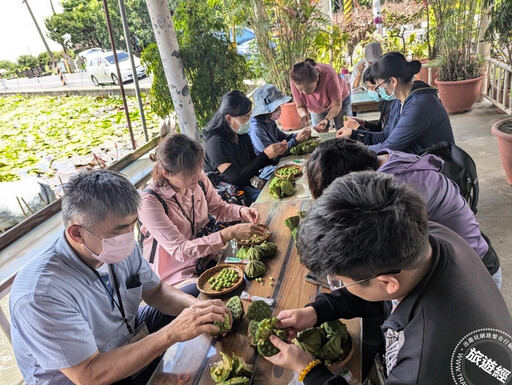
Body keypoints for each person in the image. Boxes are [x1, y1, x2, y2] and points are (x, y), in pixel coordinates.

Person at [265, 172, 512, 385]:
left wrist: (307, 369)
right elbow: (380, 294)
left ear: (388, 283)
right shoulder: (425, 236)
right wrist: (317, 311)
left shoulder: (421, 363)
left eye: (340, 282)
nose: (337, 286)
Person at [9, 170, 231, 384]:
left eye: (132, 225)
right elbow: (89, 375)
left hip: (125, 334)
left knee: (194, 294)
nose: (128, 237)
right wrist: (171, 334)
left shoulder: (114, 244)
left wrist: (198, 312)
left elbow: (156, 292)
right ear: (77, 233)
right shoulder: (40, 294)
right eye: (118, 231)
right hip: (90, 372)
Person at [306, 138, 501, 286]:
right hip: (453, 257)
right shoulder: (384, 159)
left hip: (474, 276)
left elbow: (373, 259)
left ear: (351, 184)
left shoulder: (395, 193)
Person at [138, 134, 265, 296]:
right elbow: (180, 250)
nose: (198, 177)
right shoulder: (150, 202)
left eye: (199, 170)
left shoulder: (197, 177)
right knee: (213, 296)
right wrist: (228, 234)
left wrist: (241, 211)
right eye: (190, 174)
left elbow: (218, 208)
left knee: (251, 273)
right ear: (167, 173)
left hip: (206, 258)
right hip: (177, 274)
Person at [337, 52, 455, 154]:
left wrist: (350, 153)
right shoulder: (399, 101)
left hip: (436, 165)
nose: (379, 91)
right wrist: (353, 134)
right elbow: (385, 136)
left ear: (393, 81)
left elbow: (390, 147)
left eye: (379, 86)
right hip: (419, 158)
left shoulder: (420, 104)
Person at [203, 90, 288, 205]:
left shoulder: (240, 134)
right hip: (229, 196)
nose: (248, 122)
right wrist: (265, 155)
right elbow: (236, 179)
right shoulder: (215, 143)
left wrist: (274, 154)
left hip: (247, 184)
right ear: (229, 118)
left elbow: (253, 164)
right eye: (245, 118)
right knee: (275, 201)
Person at [249, 84, 312, 180]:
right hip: (267, 168)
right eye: (277, 108)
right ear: (266, 111)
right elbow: (274, 154)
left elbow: (282, 137)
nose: (279, 110)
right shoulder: (256, 128)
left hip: (279, 159)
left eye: (279, 107)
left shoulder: (269, 121)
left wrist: (299, 135)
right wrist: (296, 141)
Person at [290, 58, 352, 132]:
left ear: (317, 78)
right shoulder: (295, 81)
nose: (305, 93)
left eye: (308, 88)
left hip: (340, 101)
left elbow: (337, 105)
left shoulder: (329, 74)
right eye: (300, 90)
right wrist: (304, 114)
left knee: (344, 130)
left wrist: (327, 119)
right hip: (316, 107)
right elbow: (300, 106)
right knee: (320, 131)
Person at [344, 67, 395, 133]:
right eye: (368, 87)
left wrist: (357, 128)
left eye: (372, 87)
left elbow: (384, 138)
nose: (370, 91)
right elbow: (380, 128)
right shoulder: (384, 102)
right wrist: (363, 123)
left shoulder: (395, 106)